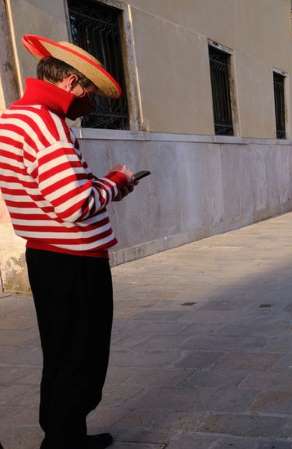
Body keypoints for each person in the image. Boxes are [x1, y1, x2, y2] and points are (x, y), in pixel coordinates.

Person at [0, 35, 138, 449]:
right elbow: (75, 203)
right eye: (90, 92)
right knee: (82, 358)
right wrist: (115, 184)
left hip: (45, 254)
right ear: (73, 84)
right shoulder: (48, 125)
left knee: (61, 354)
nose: (90, 100)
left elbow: (47, 189)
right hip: (74, 260)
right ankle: (63, 442)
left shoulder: (14, 117)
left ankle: (66, 436)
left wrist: (97, 185)